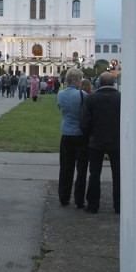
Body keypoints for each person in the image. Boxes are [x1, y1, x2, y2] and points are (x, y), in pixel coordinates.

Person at [82, 71, 121, 214]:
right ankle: (119, 205)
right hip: (116, 141)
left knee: (94, 173)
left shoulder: (92, 98)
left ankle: (93, 204)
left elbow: (85, 121)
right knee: (117, 174)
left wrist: (88, 136)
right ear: (112, 83)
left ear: (100, 82)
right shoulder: (120, 98)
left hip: (96, 140)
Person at [57, 67, 89, 208]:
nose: (82, 81)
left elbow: (61, 109)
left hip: (66, 133)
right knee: (81, 169)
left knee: (65, 167)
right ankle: (79, 199)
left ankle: (64, 196)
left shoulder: (60, 94)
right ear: (75, 79)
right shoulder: (83, 95)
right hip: (80, 135)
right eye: (80, 78)